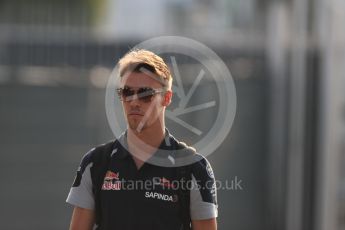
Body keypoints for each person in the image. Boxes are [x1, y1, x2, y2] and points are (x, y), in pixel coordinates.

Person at [66, 49, 218, 230]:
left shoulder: (192, 168)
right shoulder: (95, 163)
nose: (134, 102)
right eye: (127, 92)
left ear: (166, 98)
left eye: (146, 94)